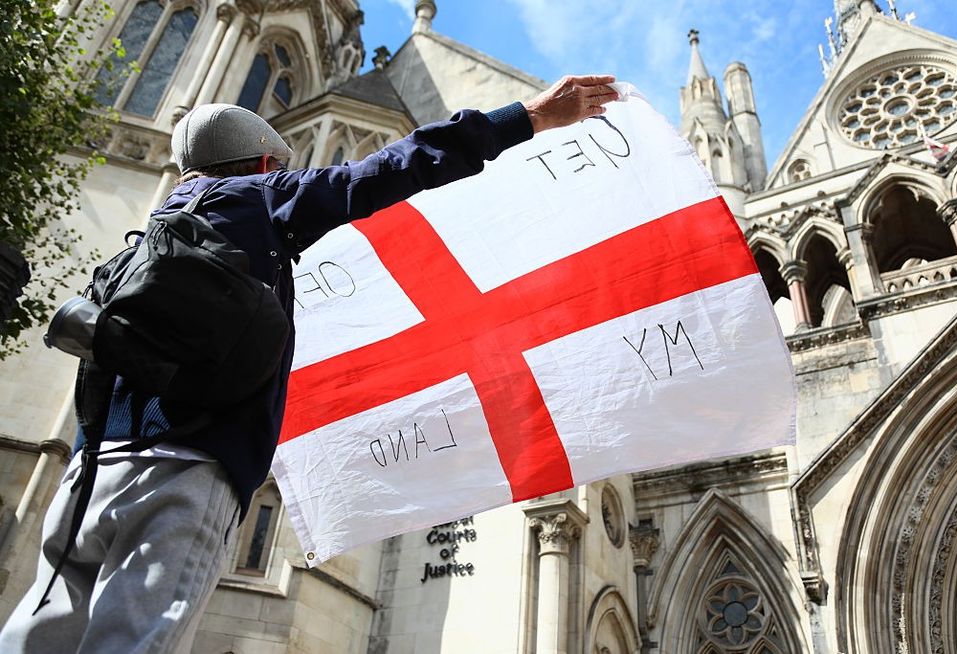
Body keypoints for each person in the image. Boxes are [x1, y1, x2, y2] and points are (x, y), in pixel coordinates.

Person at [0, 74, 618, 653]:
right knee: (136, 639)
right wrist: (527, 117)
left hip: (90, 470)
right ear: (263, 162)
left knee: (38, 630)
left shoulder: (140, 242)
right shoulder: (260, 200)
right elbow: (392, 169)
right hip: (189, 468)